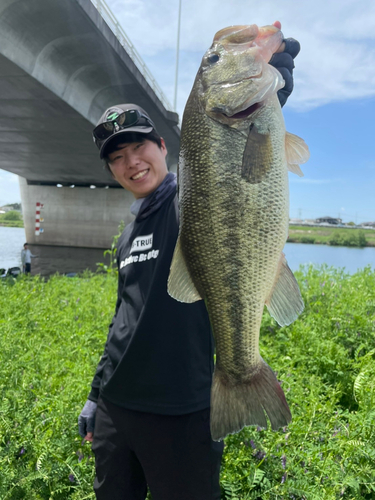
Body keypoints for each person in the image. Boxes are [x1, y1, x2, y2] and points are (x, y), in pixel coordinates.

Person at [78, 30, 300, 500]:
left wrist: (276, 87)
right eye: (117, 158)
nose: (131, 162)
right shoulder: (131, 228)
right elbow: (125, 317)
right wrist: (96, 397)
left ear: (164, 147)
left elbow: (233, 172)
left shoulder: (186, 198)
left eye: (139, 147)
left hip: (182, 411)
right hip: (117, 408)